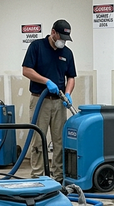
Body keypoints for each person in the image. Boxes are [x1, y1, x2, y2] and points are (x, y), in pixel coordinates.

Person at [22, 19, 76, 182]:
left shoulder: (67, 53)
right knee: (39, 138)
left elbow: (71, 77)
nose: (63, 42)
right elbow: (26, 70)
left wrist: (67, 93)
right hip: (40, 100)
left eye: (66, 40)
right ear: (53, 32)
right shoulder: (37, 47)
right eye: (61, 38)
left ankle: (58, 176)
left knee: (59, 140)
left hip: (59, 101)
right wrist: (46, 81)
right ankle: (38, 176)